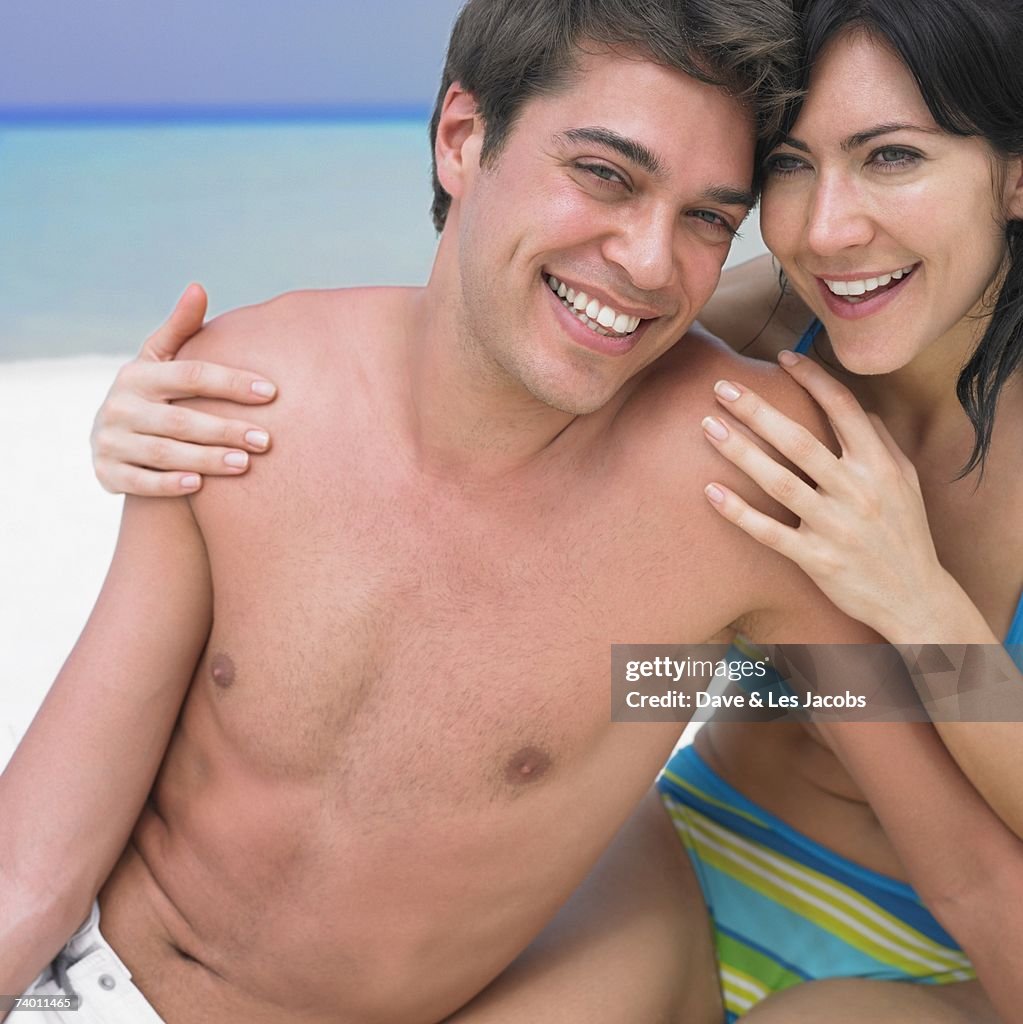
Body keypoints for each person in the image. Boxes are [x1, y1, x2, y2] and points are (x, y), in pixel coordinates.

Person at [81, 0, 1023, 1021]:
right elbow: (513, 342)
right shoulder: (768, 327)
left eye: (893, 158)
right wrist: (155, 410)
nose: (830, 228)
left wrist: (920, 606)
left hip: (936, 939)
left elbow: (970, 859)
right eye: (791, 165)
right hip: (682, 856)